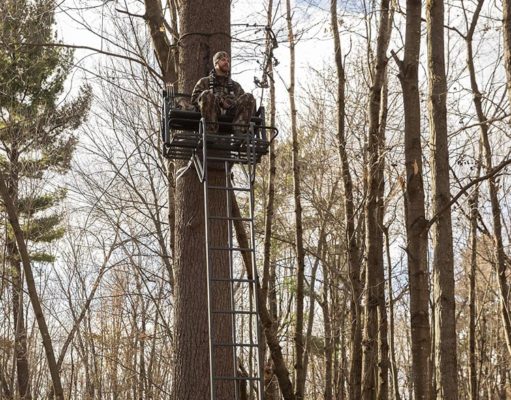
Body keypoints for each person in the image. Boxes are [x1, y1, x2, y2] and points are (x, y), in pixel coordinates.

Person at [191, 51, 256, 134]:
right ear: (216, 63)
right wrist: (217, 100)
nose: (226, 63)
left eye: (228, 61)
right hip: (212, 113)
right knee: (207, 94)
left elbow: (242, 102)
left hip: (232, 114)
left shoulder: (235, 85)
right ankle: (210, 133)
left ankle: (240, 133)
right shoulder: (204, 81)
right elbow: (194, 100)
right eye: (223, 60)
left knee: (249, 97)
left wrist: (230, 103)